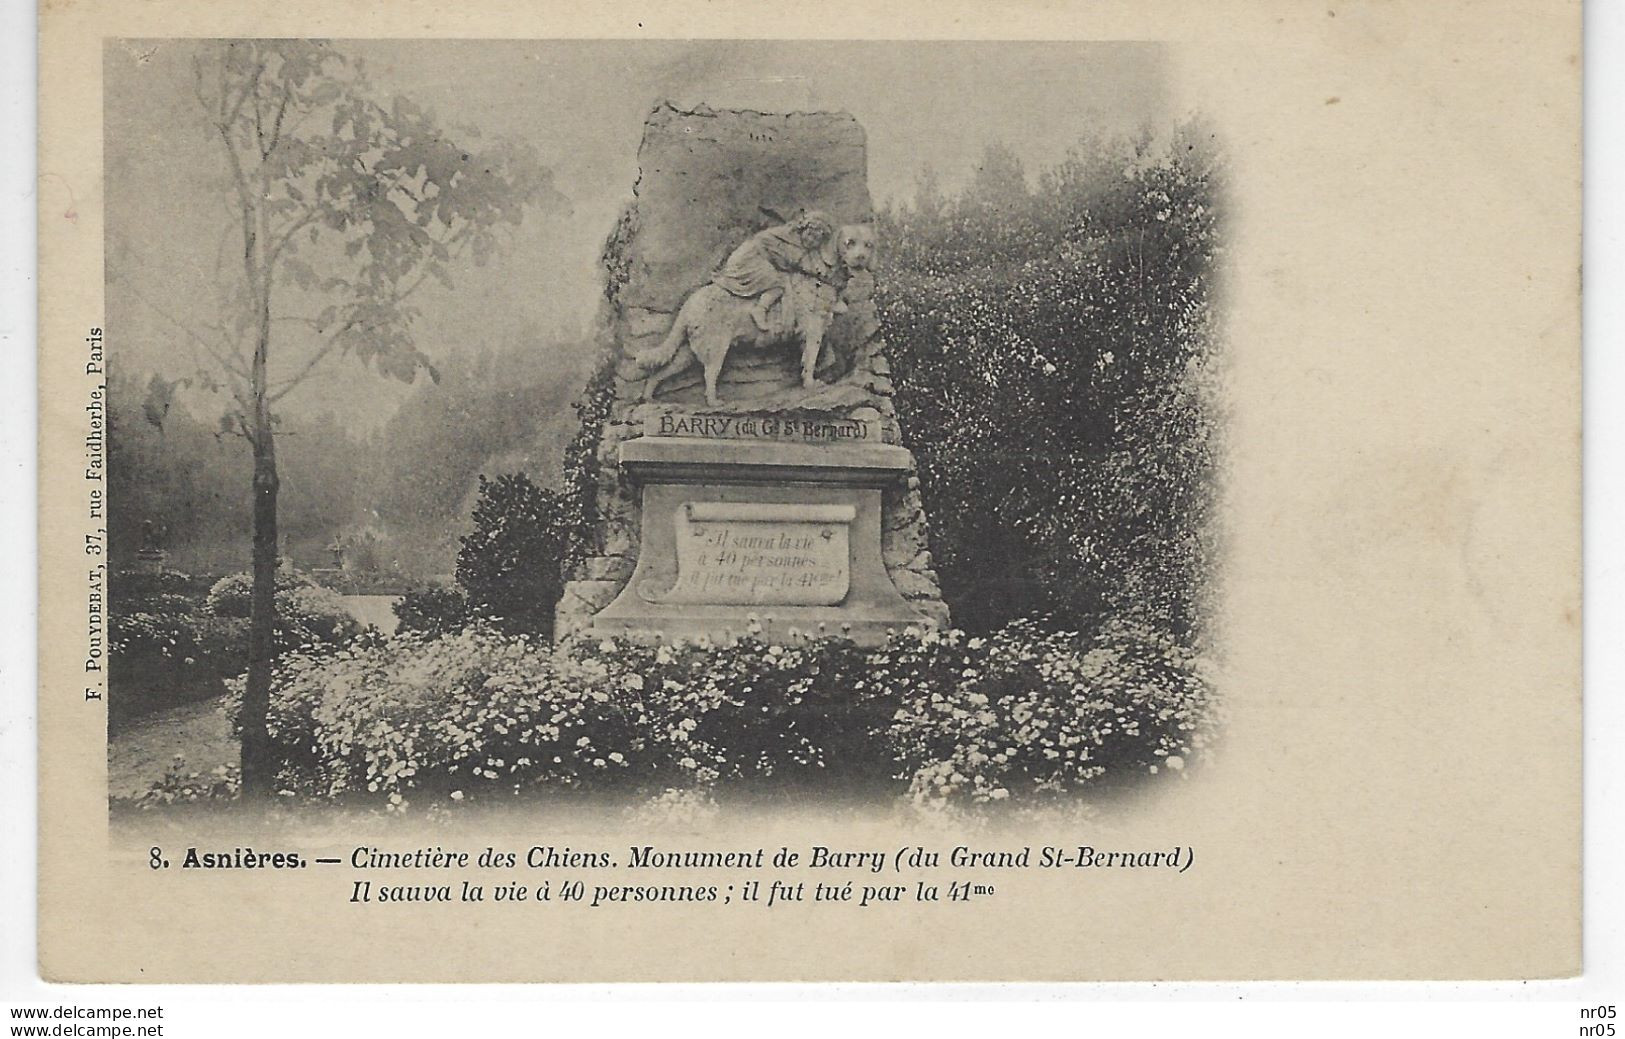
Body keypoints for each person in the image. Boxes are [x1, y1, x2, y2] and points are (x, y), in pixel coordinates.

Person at [711, 210, 838, 331]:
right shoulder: (786, 236)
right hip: (749, 259)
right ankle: (760, 309)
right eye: (810, 235)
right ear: (803, 229)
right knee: (779, 283)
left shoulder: (799, 244)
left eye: (816, 240)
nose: (811, 241)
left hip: (759, 258)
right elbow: (788, 262)